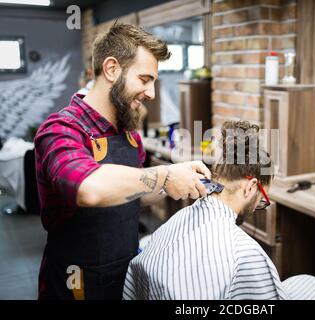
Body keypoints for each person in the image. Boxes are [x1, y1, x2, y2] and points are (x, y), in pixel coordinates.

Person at [34, 23, 211, 300]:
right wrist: (164, 175)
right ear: (112, 68)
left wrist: (175, 183)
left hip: (124, 276)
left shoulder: (129, 135)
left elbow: (135, 195)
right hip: (76, 284)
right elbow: (88, 188)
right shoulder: (61, 130)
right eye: (144, 79)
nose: (152, 92)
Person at [123, 121, 315, 300]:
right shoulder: (245, 255)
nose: (258, 207)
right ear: (251, 187)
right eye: (262, 200)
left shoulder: (178, 220)